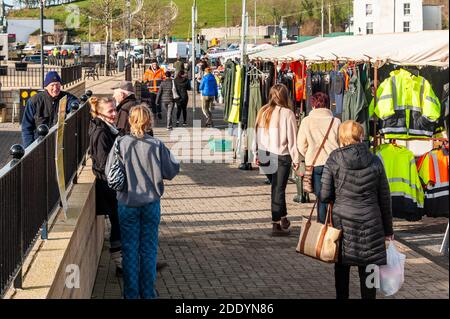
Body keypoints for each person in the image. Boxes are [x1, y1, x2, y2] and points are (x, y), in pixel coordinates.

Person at [106, 104, 180, 299]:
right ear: (149, 122)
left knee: (129, 249)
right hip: (150, 203)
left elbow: (109, 173)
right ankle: (148, 292)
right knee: (148, 249)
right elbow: (172, 170)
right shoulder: (156, 145)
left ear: (131, 121)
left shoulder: (121, 143)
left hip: (127, 202)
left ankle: (131, 294)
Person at [320, 120, 394, 299]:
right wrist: (388, 230)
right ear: (361, 136)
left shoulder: (334, 159)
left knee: (342, 268)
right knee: (369, 271)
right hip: (372, 224)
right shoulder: (375, 160)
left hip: (342, 224)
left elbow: (324, 195)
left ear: (342, 137)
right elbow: (385, 198)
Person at [253, 84, 300, 236]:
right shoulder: (288, 114)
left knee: (276, 187)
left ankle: (283, 217)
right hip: (281, 155)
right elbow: (292, 139)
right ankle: (276, 222)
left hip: (264, 154)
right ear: (285, 96)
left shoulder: (263, 111)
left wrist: (255, 153)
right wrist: (296, 158)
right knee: (278, 189)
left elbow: (256, 134)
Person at [88, 97, 123, 276]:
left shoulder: (108, 128)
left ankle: (122, 261)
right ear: (100, 112)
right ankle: (120, 263)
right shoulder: (101, 132)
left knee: (119, 220)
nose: (115, 114)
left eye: (115, 110)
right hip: (108, 185)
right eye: (110, 111)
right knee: (118, 221)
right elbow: (102, 163)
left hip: (110, 183)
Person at [297, 92, 340, 223]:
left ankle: (322, 226)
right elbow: (341, 143)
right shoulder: (336, 121)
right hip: (333, 164)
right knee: (333, 197)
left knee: (321, 198)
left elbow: (301, 144)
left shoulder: (306, 121)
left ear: (313, 105)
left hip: (315, 165)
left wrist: (309, 154)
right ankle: (333, 225)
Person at [21, 71, 79, 148]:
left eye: (58, 85)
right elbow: (26, 127)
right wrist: (29, 148)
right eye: (52, 85)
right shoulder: (34, 101)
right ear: (46, 86)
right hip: (39, 145)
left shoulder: (66, 98)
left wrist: (73, 106)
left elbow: (74, 103)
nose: (55, 88)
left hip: (59, 145)